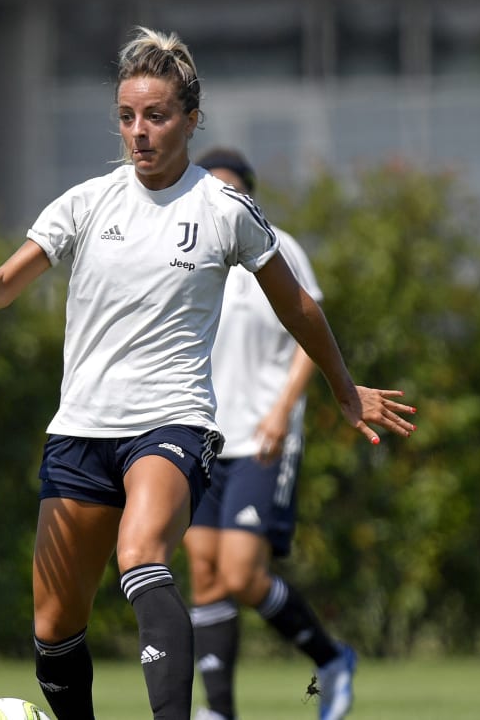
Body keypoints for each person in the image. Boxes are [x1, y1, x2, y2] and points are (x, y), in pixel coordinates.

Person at [0, 27, 415, 720]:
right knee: (55, 627)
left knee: (141, 554)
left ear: (190, 118)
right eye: (127, 117)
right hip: (79, 431)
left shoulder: (223, 211)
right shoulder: (87, 204)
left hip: (171, 423)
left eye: (156, 116)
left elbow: (299, 307)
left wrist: (344, 390)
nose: (140, 131)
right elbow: (3, 282)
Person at [183, 149, 412, 720]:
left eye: (231, 189)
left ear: (249, 196)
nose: (220, 200)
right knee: (206, 575)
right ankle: (219, 712)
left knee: (241, 573)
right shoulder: (189, 254)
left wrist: (282, 410)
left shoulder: (275, 246)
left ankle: (331, 659)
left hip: (263, 438)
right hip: (202, 437)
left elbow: (309, 331)